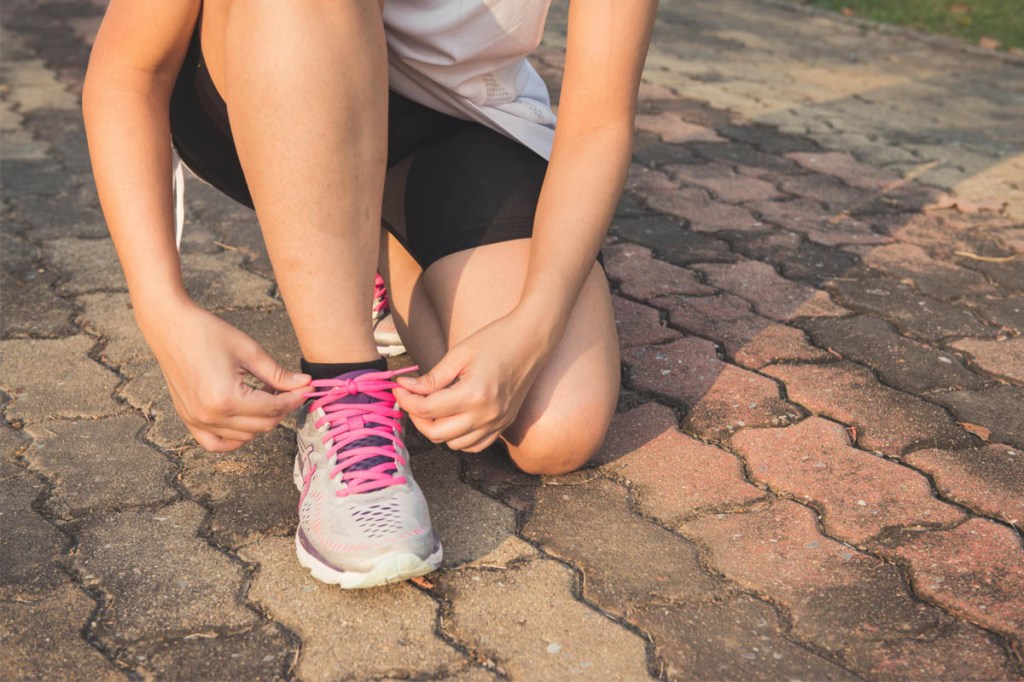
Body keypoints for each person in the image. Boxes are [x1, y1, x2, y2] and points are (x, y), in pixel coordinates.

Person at [83, 0, 658, 588]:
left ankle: (364, 244)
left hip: (458, 118)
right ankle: (343, 393)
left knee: (556, 429)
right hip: (271, 65)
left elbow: (599, 120)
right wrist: (161, 306)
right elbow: (130, 71)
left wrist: (533, 324)